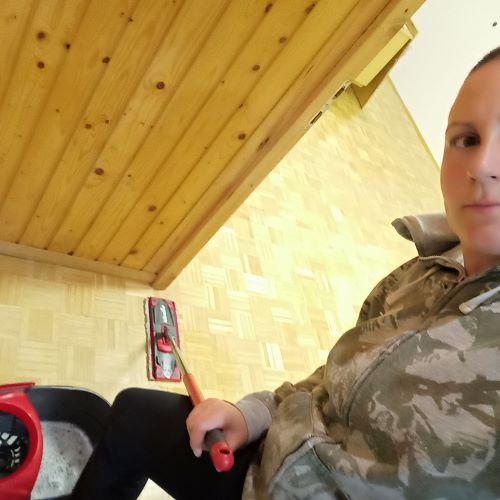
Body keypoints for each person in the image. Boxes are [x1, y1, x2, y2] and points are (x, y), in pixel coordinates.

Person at [72, 46, 500, 500]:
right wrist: (254, 413)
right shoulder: (424, 270)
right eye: (467, 139)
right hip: (267, 468)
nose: (481, 166)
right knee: (132, 415)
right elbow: (335, 382)